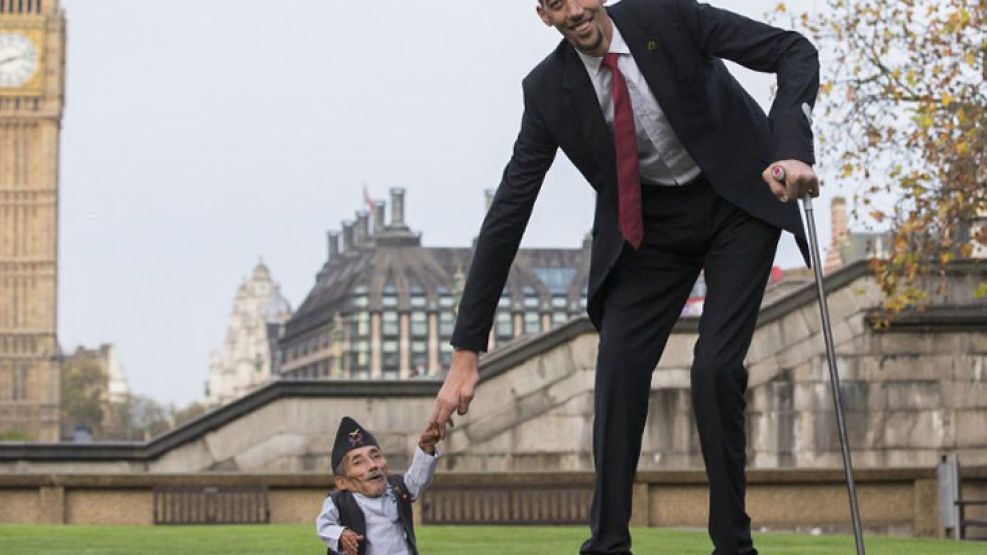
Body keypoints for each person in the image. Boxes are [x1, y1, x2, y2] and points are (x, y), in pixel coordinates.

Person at [429, 0, 820, 553]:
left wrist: (790, 150)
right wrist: (467, 352)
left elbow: (793, 51)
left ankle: (734, 544)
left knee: (713, 369)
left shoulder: (670, 17)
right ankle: (607, 545)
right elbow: (509, 213)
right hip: (650, 230)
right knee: (617, 371)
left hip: (737, 201)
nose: (574, 12)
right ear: (543, 15)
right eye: (555, 4)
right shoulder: (547, 91)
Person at [316, 417, 441, 555]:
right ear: (342, 482)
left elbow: (418, 479)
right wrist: (341, 534)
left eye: (376, 456)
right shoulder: (339, 501)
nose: (373, 466)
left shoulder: (397, 489)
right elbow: (324, 526)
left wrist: (426, 448)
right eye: (358, 462)